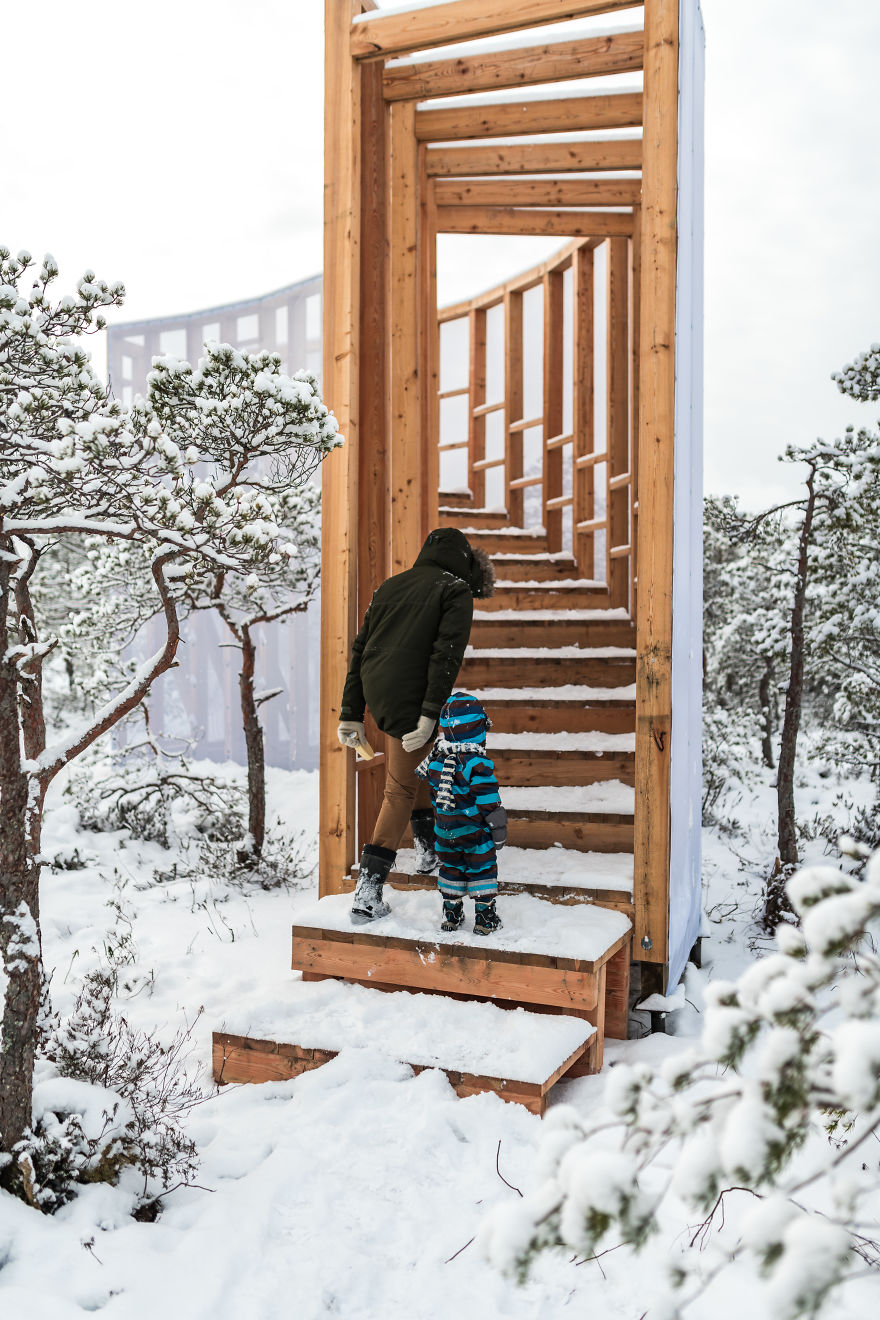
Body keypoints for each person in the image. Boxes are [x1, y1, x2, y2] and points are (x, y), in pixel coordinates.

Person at [337, 527, 495, 924]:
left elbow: (360, 649)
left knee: (416, 765)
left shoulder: (391, 585)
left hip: (379, 689)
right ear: (464, 560)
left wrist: (351, 711)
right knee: (400, 788)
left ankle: (427, 849)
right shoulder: (454, 589)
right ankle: (367, 893)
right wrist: (429, 714)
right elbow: (446, 655)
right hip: (413, 693)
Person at [416, 691, 507, 935]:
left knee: (450, 868)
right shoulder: (477, 764)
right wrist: (498, 830)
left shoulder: (435, 761)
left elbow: (434, 797)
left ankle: (451, 915)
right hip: (475, 832)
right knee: (482, 868)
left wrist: (444, 820)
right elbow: (490, 801)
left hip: (445, 832)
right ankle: (485, 918)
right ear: (479, 731)